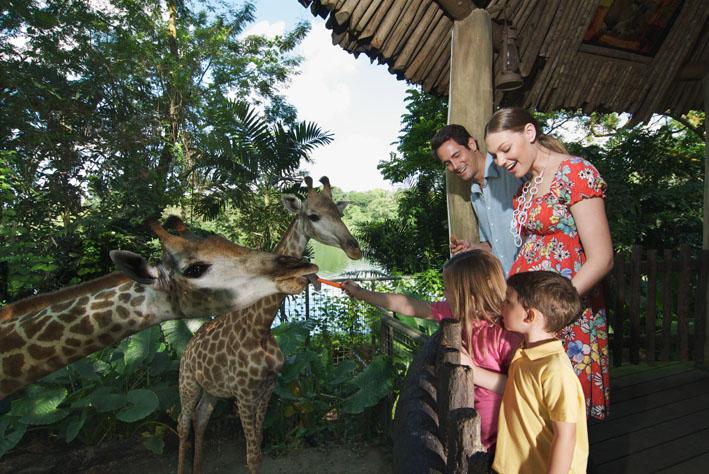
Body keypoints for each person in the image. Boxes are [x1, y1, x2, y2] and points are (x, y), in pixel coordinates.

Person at [485, 107, 613, 420]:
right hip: (532, 317)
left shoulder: (575, 173)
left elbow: (602, 258)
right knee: (538, 415)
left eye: (505, 150)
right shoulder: (524, 190)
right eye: (495, 156)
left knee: (566, 419)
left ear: (529, 133)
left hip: (564, 313)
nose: (500, 162)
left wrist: (554, 311)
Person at [341, 250, 521, 452]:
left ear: (468, 292)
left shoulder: (505, 333)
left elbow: (521, 386)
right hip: (469, 431)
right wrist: (361, 293)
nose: (444, 293)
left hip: (502, 438)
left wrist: (474, 372)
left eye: (448, 289)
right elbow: (408, 305)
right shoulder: (456, 312)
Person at [493, 270, 588, 474]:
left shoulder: (554, 370)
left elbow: (566, 435)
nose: (501, 306)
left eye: (508, 302)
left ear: (529, 315)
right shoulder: (526, 351)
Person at [431, 124, 522, 276]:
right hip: (510, 286)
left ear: (472, 144)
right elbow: (493, 245)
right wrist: (472, 248)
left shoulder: (510, 170)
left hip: (539, 278)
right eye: (447, 163)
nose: (455, 166)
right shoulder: (475, 193)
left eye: (456, 155)